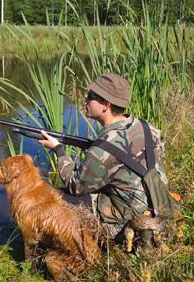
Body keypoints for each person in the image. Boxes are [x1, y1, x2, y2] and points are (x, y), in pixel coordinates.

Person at [39, 73, 167, 246]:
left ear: (106, 105)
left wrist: (59, 151)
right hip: (158, 205)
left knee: (50, 198)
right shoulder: (148, 127)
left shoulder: (102, 150)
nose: (85, 99)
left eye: (91, 96)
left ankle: (55, 248)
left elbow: (76, 186)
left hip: (127, 222)